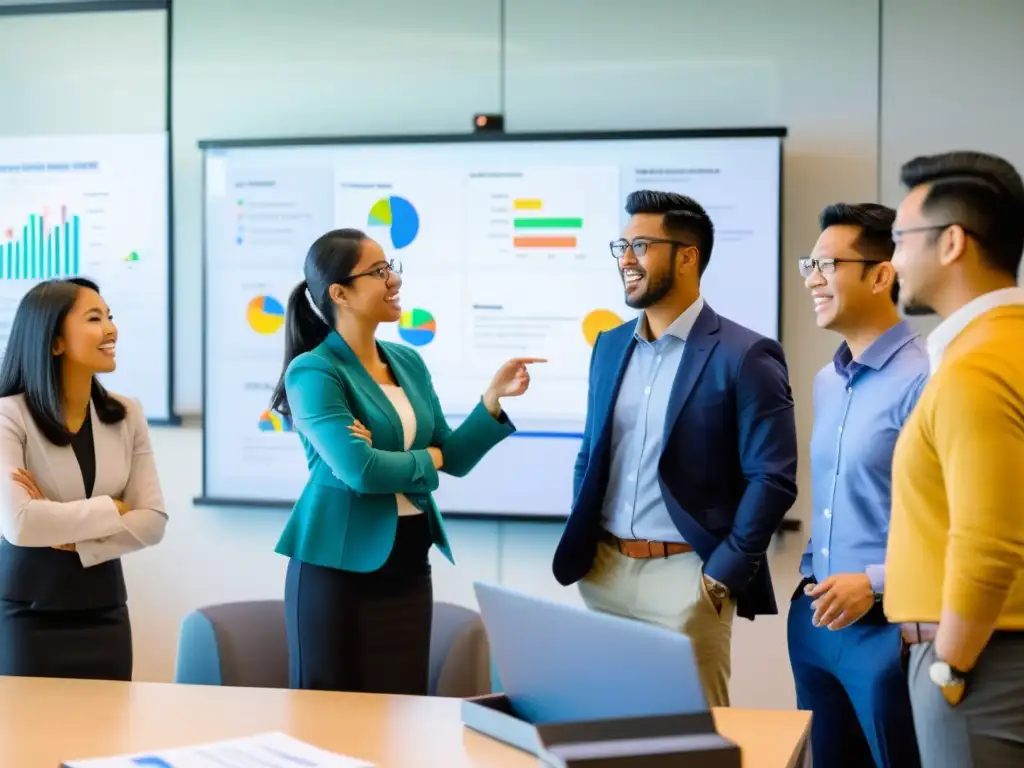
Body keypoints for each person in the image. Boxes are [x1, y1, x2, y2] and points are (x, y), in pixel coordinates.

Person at [552, 190, 798, 707]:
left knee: (691, 743)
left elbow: (772, 478)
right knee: (604, 730)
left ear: (687, 256)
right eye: (621, 245)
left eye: (641, 245)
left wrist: (722, 574)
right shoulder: (610, 345)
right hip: (604, 573)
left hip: (687, 579)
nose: (625, 259)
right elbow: (590, 453)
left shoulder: (746, 354)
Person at [270, 228, 543, 695]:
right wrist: (426, 457)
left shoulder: (407, 361)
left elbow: (453, 457)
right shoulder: (314, 371)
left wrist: (492, 400)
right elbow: (364, 473)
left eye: (391, 267)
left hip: (409, 561)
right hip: (338, 570)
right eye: (378, 272)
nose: (394, 280)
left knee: (404, 708)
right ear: (340, 293)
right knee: (332, 718)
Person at [884, 150, 1024, 767]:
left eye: (899, 239)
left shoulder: (978, 367)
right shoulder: (1003, 346)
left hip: (981, 663)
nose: (891, 262)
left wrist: (950, 665)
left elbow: (989, 539)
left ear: (952, 243)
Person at [788, 203, 926, 768]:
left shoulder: (927, 377)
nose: (812, 279)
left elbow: (955, 523)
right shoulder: (827, 380)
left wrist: (873, 582)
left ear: (880, 274)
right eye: (809, 264)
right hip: (816, 621)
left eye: (827, 264)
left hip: (887, 630)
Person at [0, 277, 167, 681]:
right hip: (27, 612)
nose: (111, 329)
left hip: (105, 609)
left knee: (108, 739)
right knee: (31, 741)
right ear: (54, 342)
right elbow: (20, 524)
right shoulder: (9, 416)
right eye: (94, 318)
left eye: (109, 316)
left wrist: (65, 528)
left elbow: (154, 521)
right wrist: (115, 508)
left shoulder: (127, 413)